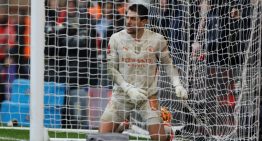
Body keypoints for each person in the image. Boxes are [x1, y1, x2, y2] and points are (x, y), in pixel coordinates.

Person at [99, 4, 188, 141]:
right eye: (127, 17)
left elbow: (168, 65)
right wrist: (128, 88)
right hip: (122, 95)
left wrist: (177, 84)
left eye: (133, 19)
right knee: (101, 137)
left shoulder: (157, 39)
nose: (128, 22)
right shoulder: (116, 38)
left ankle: (167, 131)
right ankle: (123, 125)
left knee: (159, 138)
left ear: (144, 21)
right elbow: (111, 69)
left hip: (147, 96)